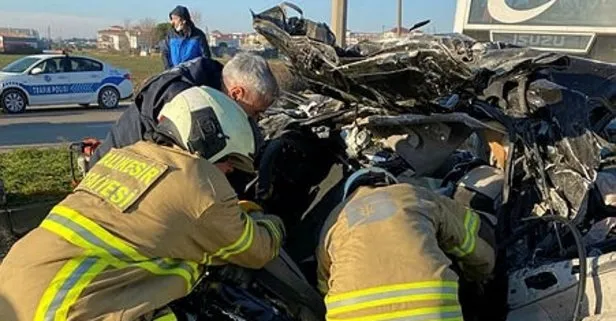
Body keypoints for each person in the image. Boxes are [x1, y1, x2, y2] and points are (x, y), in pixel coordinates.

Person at [0, 86, 285, 321]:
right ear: (207, 140)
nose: (229, 172)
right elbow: (256, 249)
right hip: (64, 309)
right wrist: (273, 221)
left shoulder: (124, 155)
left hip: (14, 290)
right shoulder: (200, 184)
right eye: (229, 161)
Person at [316, 167, 496, 321]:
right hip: (429, 307)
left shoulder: (334, 220)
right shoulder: (412, 193)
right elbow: (465, 241)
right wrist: (484, 273)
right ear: (389, 181)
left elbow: (324, 285)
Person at [89, 53, 279, 168]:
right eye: (255, 113)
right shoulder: (185, 100)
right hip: (111, 174)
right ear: (236, 93)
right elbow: (192, 171)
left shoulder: (216, 80)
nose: (254, 120)